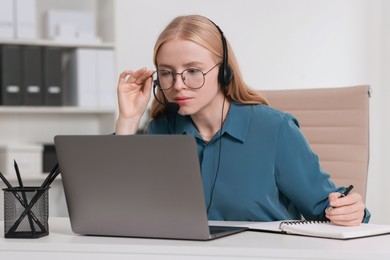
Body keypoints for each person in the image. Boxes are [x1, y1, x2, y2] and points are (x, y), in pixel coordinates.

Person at [115, 15, 369, 226]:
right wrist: (127, 119)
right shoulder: (161, 130)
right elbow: (122, 210)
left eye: (193, 71)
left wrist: (351, 211)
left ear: (224, 71)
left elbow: (326, 211)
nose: (178, 85)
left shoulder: (275, 130)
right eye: (167, 73)